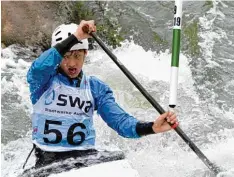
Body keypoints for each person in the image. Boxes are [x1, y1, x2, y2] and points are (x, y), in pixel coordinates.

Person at [27, 20, 179, 168]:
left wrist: (152, 127)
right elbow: (39, 67)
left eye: (77, 56)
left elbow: (121, 122)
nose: (72, 64)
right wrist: (77, 37)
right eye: (66, 56)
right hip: (49, 159)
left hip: (85, 157)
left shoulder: (95, 87)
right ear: (58, 57)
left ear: (85, 53)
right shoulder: (42, 82)